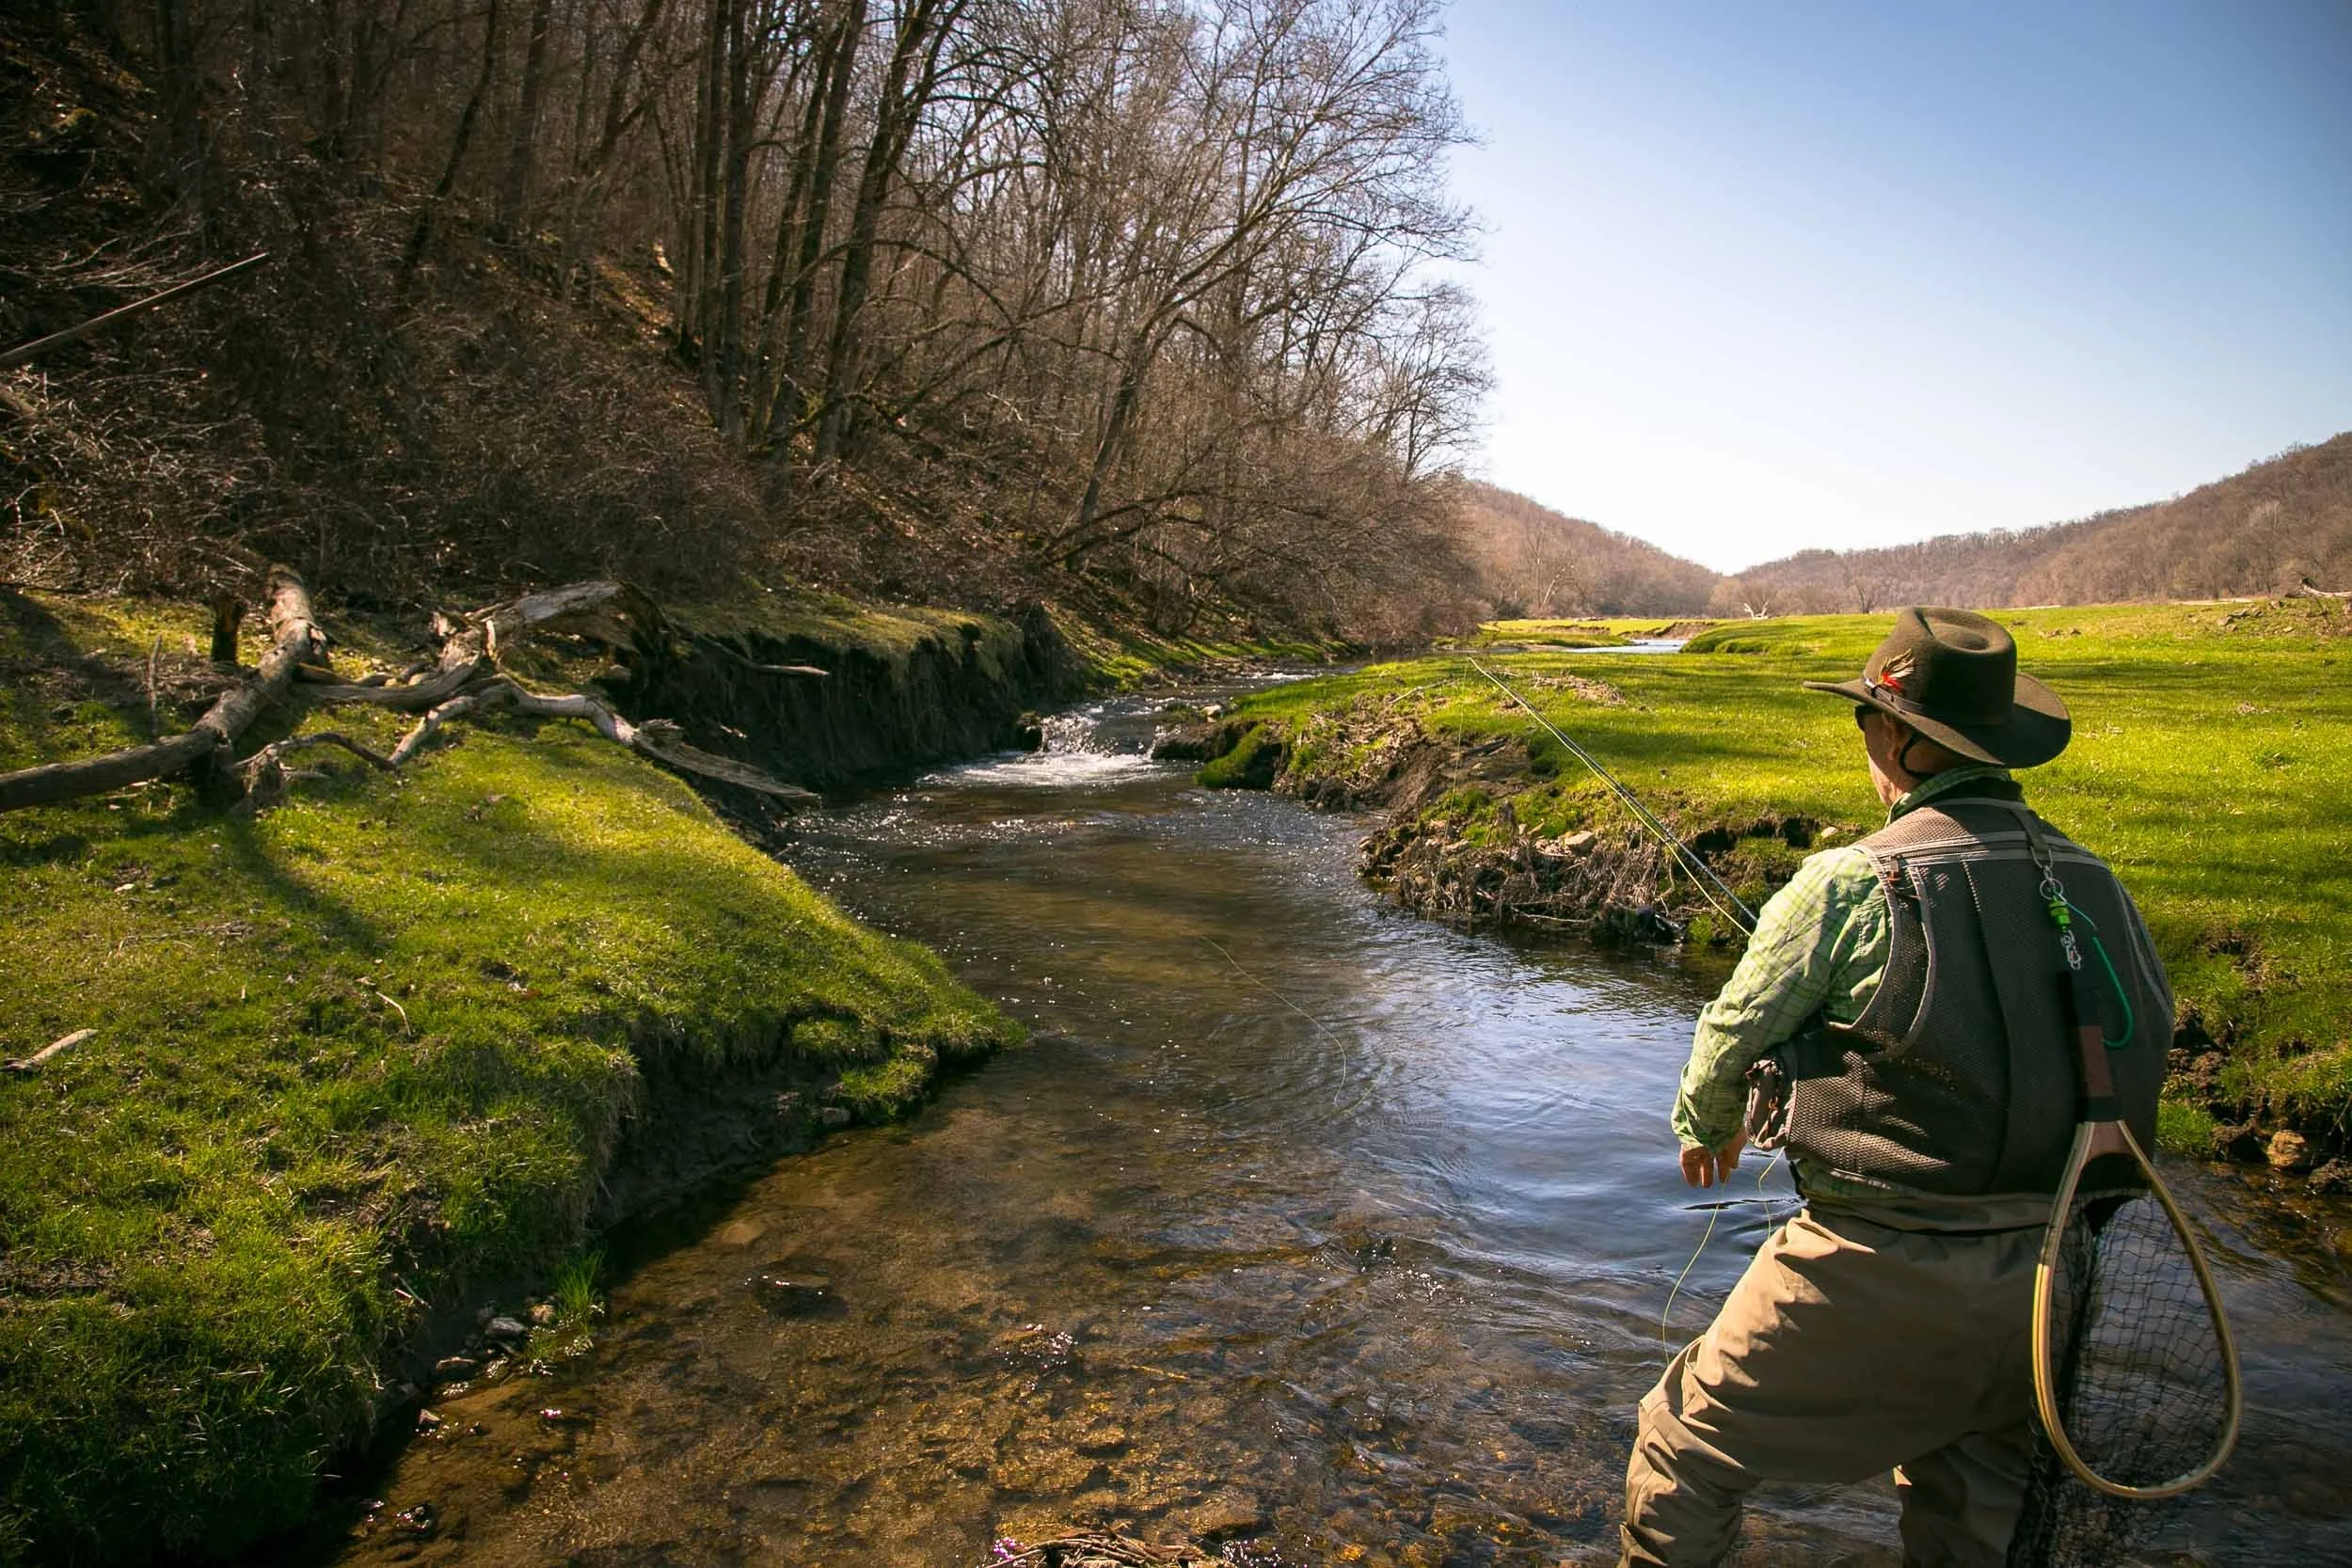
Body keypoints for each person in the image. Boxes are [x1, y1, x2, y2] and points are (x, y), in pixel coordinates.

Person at [1619, 607, 2171, 1568]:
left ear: (1910, 742)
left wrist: (1705, 1127)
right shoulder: (2099, 881)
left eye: (1868, 721)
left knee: (1684, 1445)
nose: (1864, 740)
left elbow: (1729, 1032)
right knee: (1973, 1510)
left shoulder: (1843, 882)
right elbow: (2146, 1038)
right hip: (2052, 1273)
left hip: (1871, 1263)